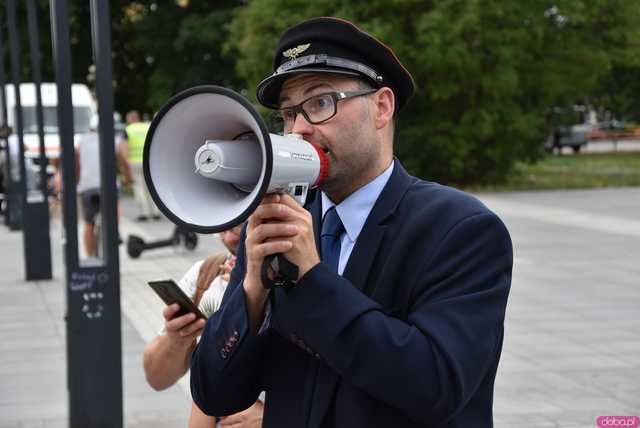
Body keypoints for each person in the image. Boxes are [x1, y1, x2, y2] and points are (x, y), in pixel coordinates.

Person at [190, 17, 513, 428]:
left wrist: (310, 279)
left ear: (381, 107)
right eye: (288, 114)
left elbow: (436, 386)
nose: (299, 129)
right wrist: (251, 293)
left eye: (320, 102)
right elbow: (214, 392)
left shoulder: (460, 230)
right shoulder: (283, 227)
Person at [143, 223, 264, 428]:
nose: (228, 237)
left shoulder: (299, 274)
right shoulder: (206, 273)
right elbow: (157, 378)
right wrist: (176, 341)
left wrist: (274, 417)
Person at [75, 114, 132, 257]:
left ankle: (90, 257)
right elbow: (124, 163)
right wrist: (128, 179)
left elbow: (76, 165)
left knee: (88, 222)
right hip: (108, 187)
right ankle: (115, 229)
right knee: (115, 202)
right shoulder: (113, 140)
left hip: (87, 188)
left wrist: (78, 182)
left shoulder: (81, 142)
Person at [119, 110, 160, 221]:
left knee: (139, 187)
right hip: (148, 162)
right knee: (150, 187)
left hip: (134, 162)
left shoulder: (128, 130)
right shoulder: (147, 127)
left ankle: (145, 213)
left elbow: (124, 148)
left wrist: (126, 163)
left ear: (130, 119)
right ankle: (156, 212)